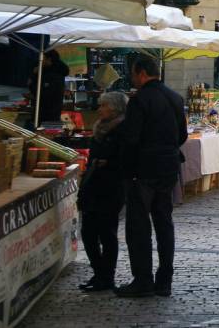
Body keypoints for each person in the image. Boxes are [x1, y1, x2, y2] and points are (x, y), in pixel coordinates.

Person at [117, 54, 187, 298]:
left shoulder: (140, 100)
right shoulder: (175, 97)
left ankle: (143, 279)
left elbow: (132, 139)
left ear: (142, 73)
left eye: (134, 74)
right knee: (164, 222)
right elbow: (182, 136)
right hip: (168, 167)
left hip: (143, 169)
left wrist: (127, 167)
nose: (133, 79)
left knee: (138, 225)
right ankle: (164, 279)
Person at [78, 91, 127, 292]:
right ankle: (99, 272)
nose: (99, 109)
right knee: (88, 232)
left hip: (111, 186)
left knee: (106, 233)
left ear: (114, 108)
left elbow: (125, 158)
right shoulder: (99, 127)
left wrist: (109, 162)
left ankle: (106, 276)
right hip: (93, 184)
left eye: (103, 105)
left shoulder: (123, 129)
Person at [34, 49, 69, 124]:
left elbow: (43, 93)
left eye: (43, 58)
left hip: (48, 114)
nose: (41, 61)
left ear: (49, 59)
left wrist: (33, 79)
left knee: (46, 134)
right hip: (52, 113)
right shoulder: (55, 71)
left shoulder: (52, 75)